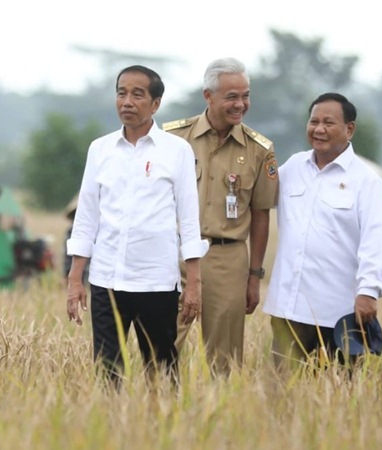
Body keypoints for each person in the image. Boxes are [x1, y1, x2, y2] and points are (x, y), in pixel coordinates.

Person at [66, 65, 208, 385]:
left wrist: (194, 283)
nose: (127, 101)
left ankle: (162, 430)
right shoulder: (99, 149)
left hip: (156, 282)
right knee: (107, 370)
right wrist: (76, 278)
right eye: (121, 93)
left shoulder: (177, 151)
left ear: (155, 104)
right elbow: (87, 216)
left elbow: (188, 219)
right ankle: (112, 429)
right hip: (107, 279)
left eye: (137, 94)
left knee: (161, 371)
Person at [163, 57, 279, 375]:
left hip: (227, 259)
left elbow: (260, 215)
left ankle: (221, 417)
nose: (240, 104)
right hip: (174, 254)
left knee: (225, 361)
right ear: (208, 96)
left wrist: (254, 276)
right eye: (231, 96)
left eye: (245, 95)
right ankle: (155, 414)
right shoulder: (172, 139)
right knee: (161, 347)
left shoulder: (260, 149)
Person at [263, 93, 382, 370]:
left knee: (340, 394)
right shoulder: (294, 166)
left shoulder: (366, 181)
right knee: (281, 390)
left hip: (340, 313)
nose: (318, 129)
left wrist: (368, 291)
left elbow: (375, 239)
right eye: (314, 121)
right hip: (290, 307)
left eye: (328, 122)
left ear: (350, 129)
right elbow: (260, 198)